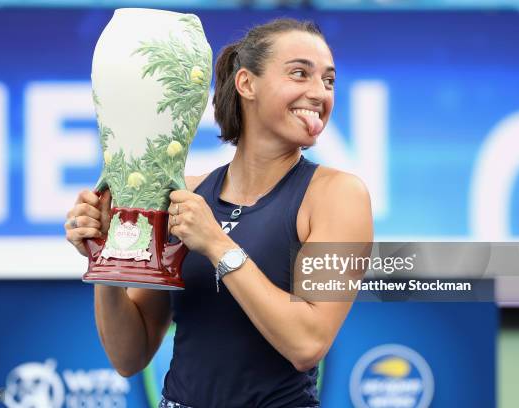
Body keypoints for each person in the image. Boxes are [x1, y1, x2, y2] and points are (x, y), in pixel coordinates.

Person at [65, 18, 373, 408]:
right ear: (247, 84)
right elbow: (129, 356)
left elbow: (307, 343)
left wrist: (217, 244)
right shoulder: (187, 194)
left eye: (329, 81)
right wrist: (105, 256)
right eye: (300, 74)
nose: (319, 93)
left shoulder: (338, 195)